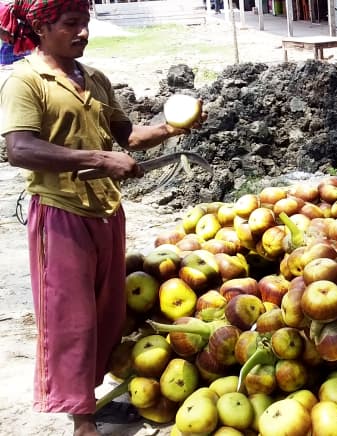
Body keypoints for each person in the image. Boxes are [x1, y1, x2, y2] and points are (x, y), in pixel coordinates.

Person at [0, 0, 204, 435]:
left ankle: (94, 395)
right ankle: (82, 419)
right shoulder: (25, 81)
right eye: (71, 24)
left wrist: (173, 127)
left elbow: (126, 135)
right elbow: (19, 149)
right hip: (61, 212)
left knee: (107, 312)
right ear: (43, 27)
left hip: (107, 210)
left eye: (85, 24)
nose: (83, 33)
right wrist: (97, 158)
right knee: (70, 318)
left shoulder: (93, 79)